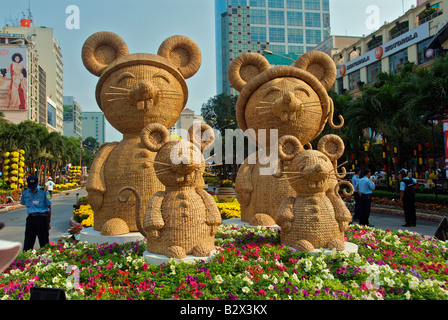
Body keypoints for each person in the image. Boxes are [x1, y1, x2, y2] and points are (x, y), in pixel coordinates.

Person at [20, 175, 53, 251]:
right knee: (28, 243)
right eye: (31, 186)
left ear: (37, 183)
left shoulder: (44, 191)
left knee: (44, 243)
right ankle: (26, 260)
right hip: (31, 218)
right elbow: (24, 203)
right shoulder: (25, 192)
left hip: (42, 218)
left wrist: (48, 221)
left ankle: (46, 259)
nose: (32, 188)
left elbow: (49, 207)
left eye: (34, 186)